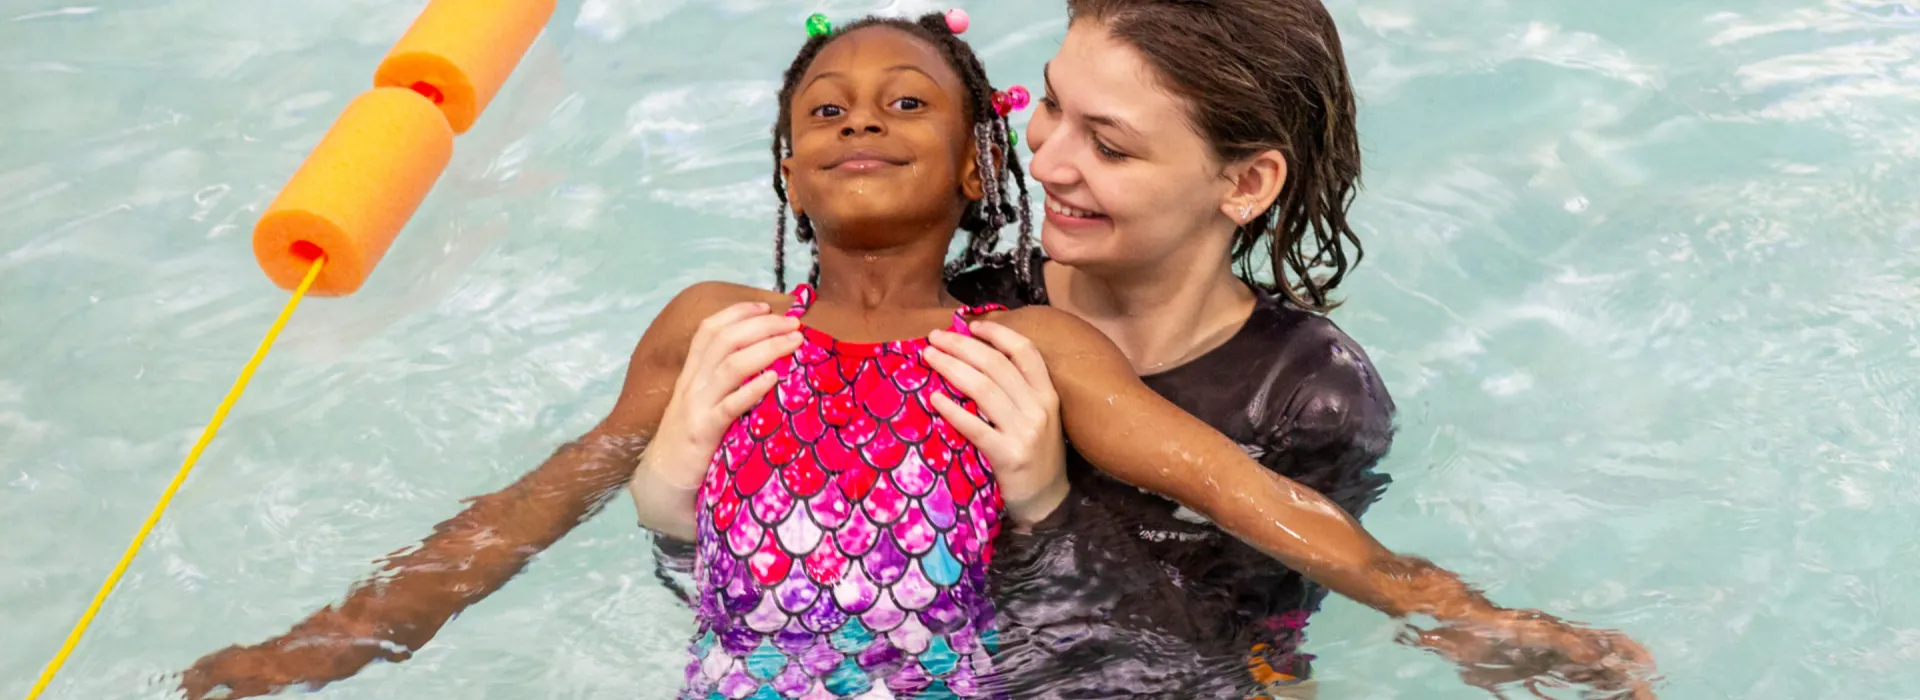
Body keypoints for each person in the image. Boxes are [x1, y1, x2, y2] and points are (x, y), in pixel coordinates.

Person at [179, 7, 1657, 700]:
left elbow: (1264, 518)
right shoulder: (721, 327)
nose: (863, 124)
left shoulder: (1091, 357)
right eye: (824, 111)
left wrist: (1471, 618)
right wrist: (326, 646)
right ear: (779, 169)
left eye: (1111, 140)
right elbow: (531, 501)